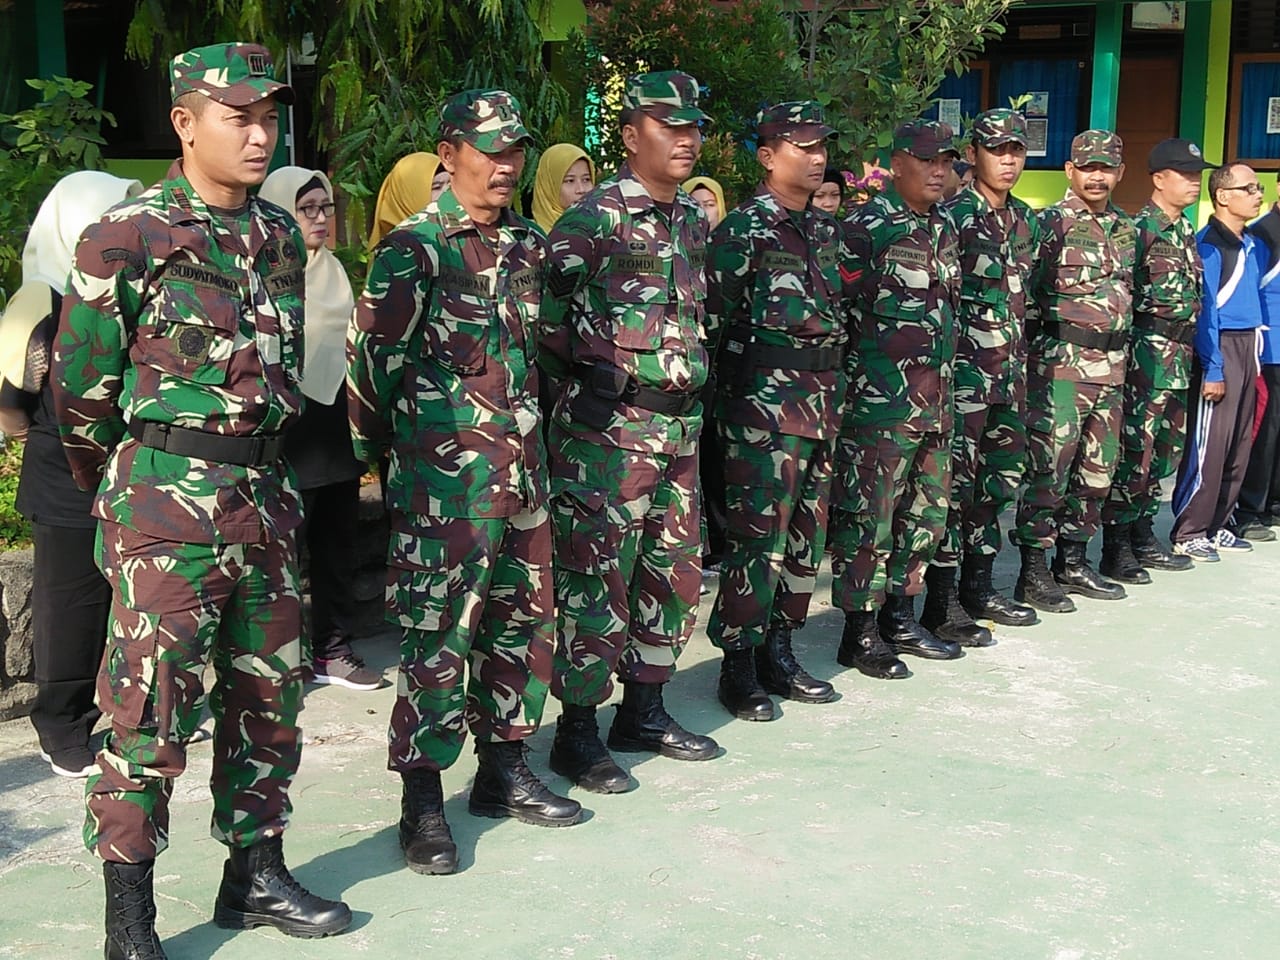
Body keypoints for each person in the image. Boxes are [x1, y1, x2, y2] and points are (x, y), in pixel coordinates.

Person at [51, 43, 351, 957]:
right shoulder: (125, 236)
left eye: (269, 119)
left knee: (269, 699)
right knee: (148, 713)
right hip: (165, 512)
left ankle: (254, 874)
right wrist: (137, 493)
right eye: (239, 118)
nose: (261, 136)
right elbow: (81, 396)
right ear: (185, 123)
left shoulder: (276, 236)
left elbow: (287, 369)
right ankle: (129, 918)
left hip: (266, 497)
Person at [349, 89, 582, 877]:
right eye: (491, 149)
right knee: (438, 639)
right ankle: (422, 802)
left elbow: (544, 353)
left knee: (523, 625)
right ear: (448, 154)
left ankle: (503, 770)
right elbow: (370, 373)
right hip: (444, 489)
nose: (507, 164)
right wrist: (394, 462)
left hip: (524, 481)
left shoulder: (528, 245)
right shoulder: (415, 251)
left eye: (516, 150)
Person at [540, 71, 719, 795]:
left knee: (672, 572)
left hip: (679, 429)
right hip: (609, 435)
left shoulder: (692, 221)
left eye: (693, 128)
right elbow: (546, 327)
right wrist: (594, 394)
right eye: (669, 126)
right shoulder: (592, 222)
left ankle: (644, 709)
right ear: (629, 135)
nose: (686, 139)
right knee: (596, 580)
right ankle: (577, 731)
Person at [704, 101, 843, 721]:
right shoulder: (744, 230)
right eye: (802, 147)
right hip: (761, 412)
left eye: (821, 148)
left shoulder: (824, 229)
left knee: (806, 539)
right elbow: (713, 323)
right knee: (758, 541)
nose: (817, 158)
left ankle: (779, 650)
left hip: (821, 406)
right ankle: (738, 663)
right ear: (766, 156)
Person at [0, 172, 142, 779]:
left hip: (131, 465)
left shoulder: (131, 286)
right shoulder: (44, 297)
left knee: (133, 596)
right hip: (63, 471)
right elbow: (11, 402)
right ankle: (61, 725)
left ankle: (125, 711)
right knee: (72, 603)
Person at [829, 119, 961, 680]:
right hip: (880, 405)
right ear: (898, 164)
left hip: (936, 401)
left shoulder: (944, 227)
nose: (939, 171)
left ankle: (900, 617)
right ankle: (859, 631)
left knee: (926, 514)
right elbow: (837, 314)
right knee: (870, 520)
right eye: (927, 160)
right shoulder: (866, 227)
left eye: (946, 162)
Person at [259, 166, 381, 690]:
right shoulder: (260, 274)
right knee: (279, 554)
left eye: (324, 207)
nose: (319, 218)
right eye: (304, 209)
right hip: (286, 433)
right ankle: (275, 661)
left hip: (335, 429)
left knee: (337, 547)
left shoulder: (334, 274)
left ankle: (332, 649)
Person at [924, 109, 1040, 643]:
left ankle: (979, 585)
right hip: (964, 379)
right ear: (972, 155)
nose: (1008, 160)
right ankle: (941, 600)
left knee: (998, 483)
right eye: (997, 150)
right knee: (954, 488)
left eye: (1016, 150)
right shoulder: (954, 218)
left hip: (1009, 378)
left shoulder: (1024, 220)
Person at [1010, 130, 1136, 612]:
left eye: (1106, 168)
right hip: (1062, 367)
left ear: (1120, 173)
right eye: (1088, 167)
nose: (1097, 176)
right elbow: (1025, 293)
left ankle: (1074, 561)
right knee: (1050, 470)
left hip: (1113, 369)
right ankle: (1033, 571)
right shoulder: (1049, 224)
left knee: (1098, 471)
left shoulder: (1125, 228)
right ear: (1070, 170)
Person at [1099, 139, 1213, 578]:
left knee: (1164, 452)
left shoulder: (1184, 230)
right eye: (1185, 174)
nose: (1194, 182)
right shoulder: (1138, 231)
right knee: (1136, 451)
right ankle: (1117, 546)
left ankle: (1143, 534)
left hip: (1178, 357)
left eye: (1197, 175)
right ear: (1159, 179)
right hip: (1147, 357)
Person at [1170, 162, 1266, 560]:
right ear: (1223, 196)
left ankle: (1219, 523)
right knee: (1210, 445)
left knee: (1239, 443)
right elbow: (1206, 310)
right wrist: (1213, 367)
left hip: (1248, 346)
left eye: (1259, 188)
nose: (1258, 195)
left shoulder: (1251, 244)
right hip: (1221, 346)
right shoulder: (1209, 245)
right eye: (1249, 189)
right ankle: (1191, 529)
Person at [1233, 181, 1280, 542]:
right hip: (1270, 350)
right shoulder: (1264, 233)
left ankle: (1274, 503)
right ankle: (1249, 509)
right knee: (1264, 433)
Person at [368, 151, 451, 247]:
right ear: (408, 198)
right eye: (437, 187)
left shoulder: (455, 234)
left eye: (451, 185)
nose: (448, 192)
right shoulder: (396, 250)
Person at [532, 143, 596, 232]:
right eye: (570, 181)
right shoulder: (528, 235)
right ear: (549, 187)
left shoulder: (603, 232)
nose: (581, 190)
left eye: (586, 179)